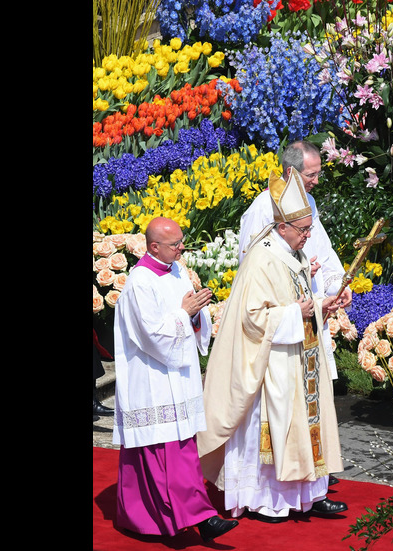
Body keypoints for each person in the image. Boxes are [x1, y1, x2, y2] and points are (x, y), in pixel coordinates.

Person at [197, 167, 347, 524]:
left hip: (300, 355)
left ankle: (307, 496)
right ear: (282, 227)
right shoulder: (261, 257)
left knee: (305, 421)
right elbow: (252, 316)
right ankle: (266, 501)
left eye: (309, 229)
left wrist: (320, 305)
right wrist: (295, 313)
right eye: (303, 230)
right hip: (272, 363)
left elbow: (298, 298)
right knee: (276, 426)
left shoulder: (293, 252)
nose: (308, 237)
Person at [112, 216, 238, 543]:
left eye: (182, 241)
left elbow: (189, 317)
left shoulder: (178, 271)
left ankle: (157, 518)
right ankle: (199, 517)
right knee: (160, 454)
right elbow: (151, 335)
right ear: (154, 247)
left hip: (178, 376)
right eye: (175, 244)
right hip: (152, 379)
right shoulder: (140, 282)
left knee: (178, 449)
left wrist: (197, 313)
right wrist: (185, 313)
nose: (182, 248)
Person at [236, 139, 351, 486]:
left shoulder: (307, 203)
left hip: (311, 315)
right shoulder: (262, 210)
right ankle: (281, 482)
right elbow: (252, 271)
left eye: (318, 173)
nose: (317, 180)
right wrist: (296, 274)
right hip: (283, 322)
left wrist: (337, 285)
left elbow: (324, 253)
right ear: (291, 172)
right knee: (284, 406)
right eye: (311, 174)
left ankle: (314, 477)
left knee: (313, 400)